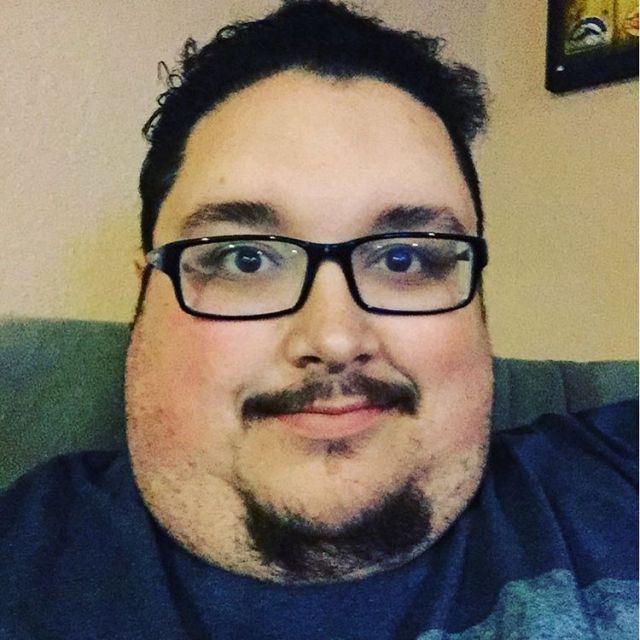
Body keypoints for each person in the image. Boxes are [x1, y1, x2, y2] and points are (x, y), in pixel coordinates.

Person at [0, 1, 636, 638]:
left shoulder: (615, 480)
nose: (334, 338)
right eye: (246, 259)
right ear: (144, 300)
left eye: (404, 257)